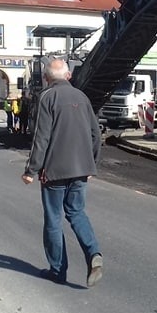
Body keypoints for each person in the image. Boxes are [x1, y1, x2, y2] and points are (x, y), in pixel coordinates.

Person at [21, 58, 103, 288]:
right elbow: (96, 135)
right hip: (81, 169)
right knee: (76, 213)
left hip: (54, 171)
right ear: (68, 76)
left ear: (46, 79)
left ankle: (58, 271)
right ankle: (93, 253)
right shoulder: (82, 97)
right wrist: (91, 165)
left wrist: (31, 169)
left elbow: (41, 137)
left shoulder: (46, 97)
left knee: (54, 220)